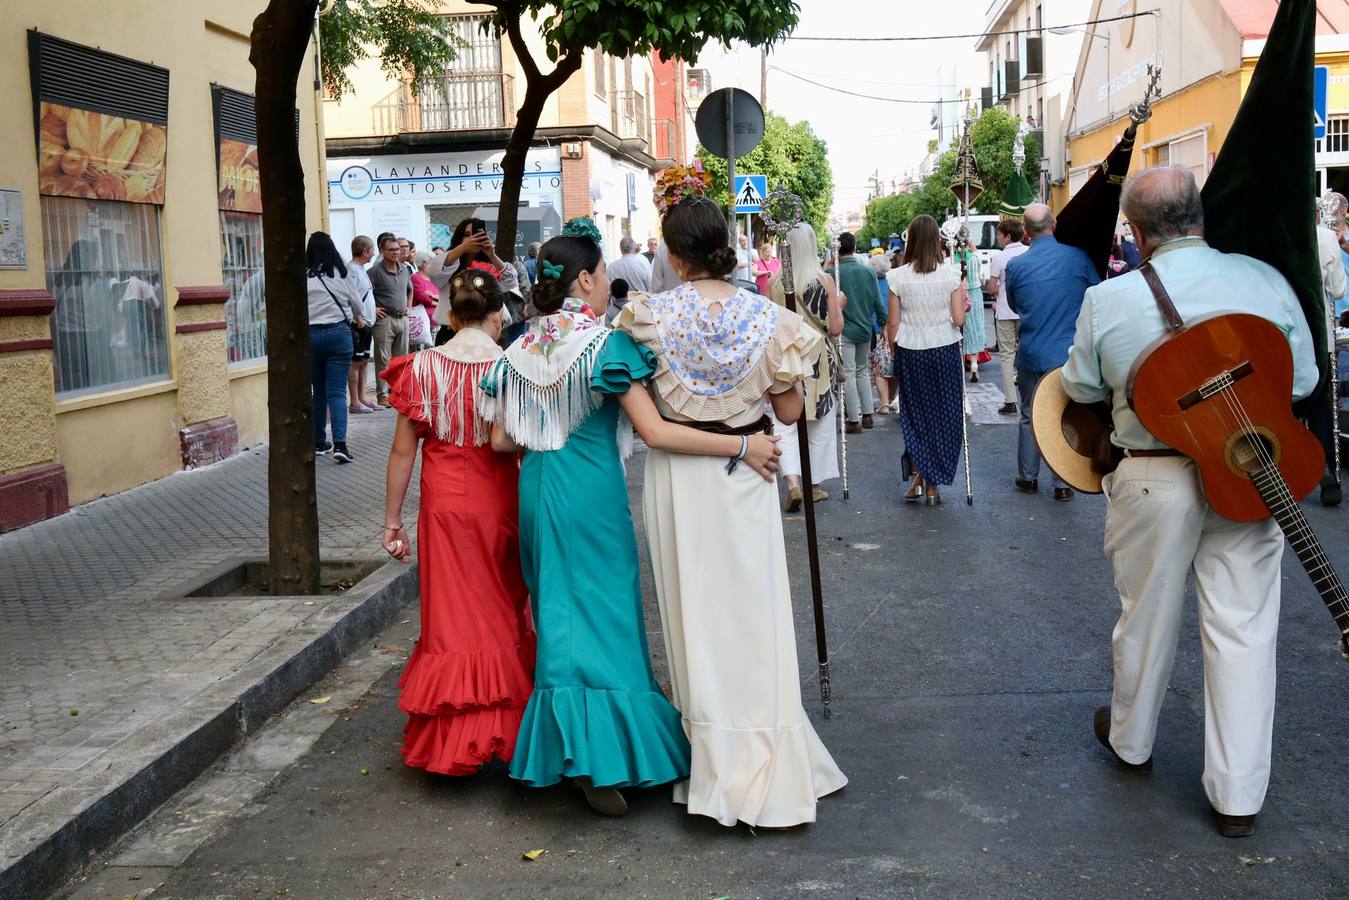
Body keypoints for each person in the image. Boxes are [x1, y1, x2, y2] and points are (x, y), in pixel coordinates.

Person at [480, 221, 782, 817]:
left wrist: (549, 425)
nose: (605, 288)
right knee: (609, 610)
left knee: (556, 612)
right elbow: (654, 431)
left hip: (537, 490)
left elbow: (500, 441)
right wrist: (741, 446)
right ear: (584, 280)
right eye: (601, 278)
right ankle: (604, 755)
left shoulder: (518, 349)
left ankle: (570, 747)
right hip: (591, 492)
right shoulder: (604, 345)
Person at [1060, 166, 1318, 839]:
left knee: (1144, 615)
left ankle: (1131, 740)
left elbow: (1080, 387)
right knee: (1243, 626)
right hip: (1247, 468)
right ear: (1199, 216)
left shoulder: (1109, 299)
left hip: (1154, 475)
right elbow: (1303, 381)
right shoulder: (1264, 281)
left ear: (1136, 232)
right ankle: (1236, 796)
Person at [616, 197, 847, 828]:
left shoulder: (645, 317)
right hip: (749, 470)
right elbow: (791, 412)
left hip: (678, 475)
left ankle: (712, 757)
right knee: (753, 609)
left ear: (673, 256)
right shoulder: (769, 318)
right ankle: (770, 750)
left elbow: (642, 409)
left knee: (694, 611)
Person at [380, 269, 536, 777]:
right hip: (500, 500)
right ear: (498, 316)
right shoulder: (514, 366)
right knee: (503, 607)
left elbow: (403, 452)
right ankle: (511, 732)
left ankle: (453, 741)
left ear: (449, 316)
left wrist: (392, 521)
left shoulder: (421, 369)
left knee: (450, 617)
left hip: (443, 506)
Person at [1005, 202, 1100, 501]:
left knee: (1029, 414)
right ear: (1054, 224)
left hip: (1032, 351)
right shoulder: (1078, 258)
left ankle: (1028, 476)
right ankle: (1063, 481)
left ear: (1025, 232)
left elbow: (1015, 304)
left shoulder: (1016, 266)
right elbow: (1095, 295)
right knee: (1066, 415)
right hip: (1067, 353)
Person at [885, 214, 966, 506]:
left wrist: (894, 351)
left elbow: (893, 323)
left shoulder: (897, 276)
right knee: (945, 415)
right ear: (936, 240)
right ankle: (932, 483)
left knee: (916, 416)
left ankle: (922, 478)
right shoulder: (951, 274)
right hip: (944, 349)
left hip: (911, 350)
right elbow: (958, 319)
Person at [768, 222, 844, 511]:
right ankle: (813, 486)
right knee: (820, 423)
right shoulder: (824, 281)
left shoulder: (774, 283)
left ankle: (792, 484)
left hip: (786, 357)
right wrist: (839, 305)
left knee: (785, 423)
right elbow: (835, 328)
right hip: (818, 360)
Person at [306, 231, 364, 462]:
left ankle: (318, 442)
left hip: (311, 336)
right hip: (339, 335)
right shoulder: (342, 274)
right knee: (337, 392)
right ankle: (340, 444)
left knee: (318, 391)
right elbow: (358, 307)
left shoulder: (304, 276)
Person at [427, 218, 520, 345]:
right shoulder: (448, 264)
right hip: (451, 333)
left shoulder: (490, 265)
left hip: (486, 332)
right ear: (459, 238)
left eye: (477, 234)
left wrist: (492, 255)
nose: (472, 238)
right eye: (467, 235)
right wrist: (463, 248)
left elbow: (511, 282)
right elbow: (432, 271)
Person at [1313, 197, 1347, 506]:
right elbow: (1338, 290)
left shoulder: (1277, 234)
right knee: (1323, 408)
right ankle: (1329, 475)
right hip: (1319, 334)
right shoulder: (1325, 237)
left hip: (1282, 334)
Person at [834, 232, 878, 433]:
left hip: (845, 330)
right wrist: (882, 322)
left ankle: (853, 420)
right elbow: (877, 302)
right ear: (854, 247)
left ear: (837, 250)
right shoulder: (868, 272)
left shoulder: (833, 273)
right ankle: (867, 415)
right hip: (865, 328)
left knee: (849, 373)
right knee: (862, 370)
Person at [986, 220, 1029, 416]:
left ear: (1008, 237)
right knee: (1027, 351)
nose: (998, 238)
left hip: (1004, 310)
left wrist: (999, 292)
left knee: (1006, 355)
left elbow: (991, 288)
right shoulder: (1028, 252)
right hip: (1026, 309)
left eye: (999, 235)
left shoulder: (999, 257)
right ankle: (1032, 396)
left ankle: (1010, 401)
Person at [368, 234, 412, 407]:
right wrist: (373, 309)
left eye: (397, 249)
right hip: (384, 320)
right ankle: (382, 394)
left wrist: (409, 306)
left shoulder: (404, 269)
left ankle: (398, 392)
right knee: (383, 359)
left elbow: (410, 289)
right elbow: (363, 293)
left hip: (402, 319)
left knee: (401, 360)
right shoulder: (374, 272)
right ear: (382, 251)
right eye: (391, 250)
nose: (395, 252)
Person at [346, 235, 378, 414]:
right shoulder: (351, 270)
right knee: (356, 362)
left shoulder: (361, 269)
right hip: (358, 323)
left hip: (367, 322)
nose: (373, 253)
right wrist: (358, 317)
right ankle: (355, 401)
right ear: (365, 251)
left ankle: (363, 397)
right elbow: (350, 295)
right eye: (372, 250)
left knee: (364, 361)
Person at [868, 252, 896, 414]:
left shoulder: (870, 284)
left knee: (878, 368)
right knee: (893, 367)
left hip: (877, 330)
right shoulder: (892, 283)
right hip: (894, 329)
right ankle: (890, 399)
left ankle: (884, 402)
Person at [955, 237, 986, 382]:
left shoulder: (953, 260)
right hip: (975, 294)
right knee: (975, 327)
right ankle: (974, 363)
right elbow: (975, 251)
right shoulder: (975, 258)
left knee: (959, 328)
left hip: (958, 295)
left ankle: (960, 364)